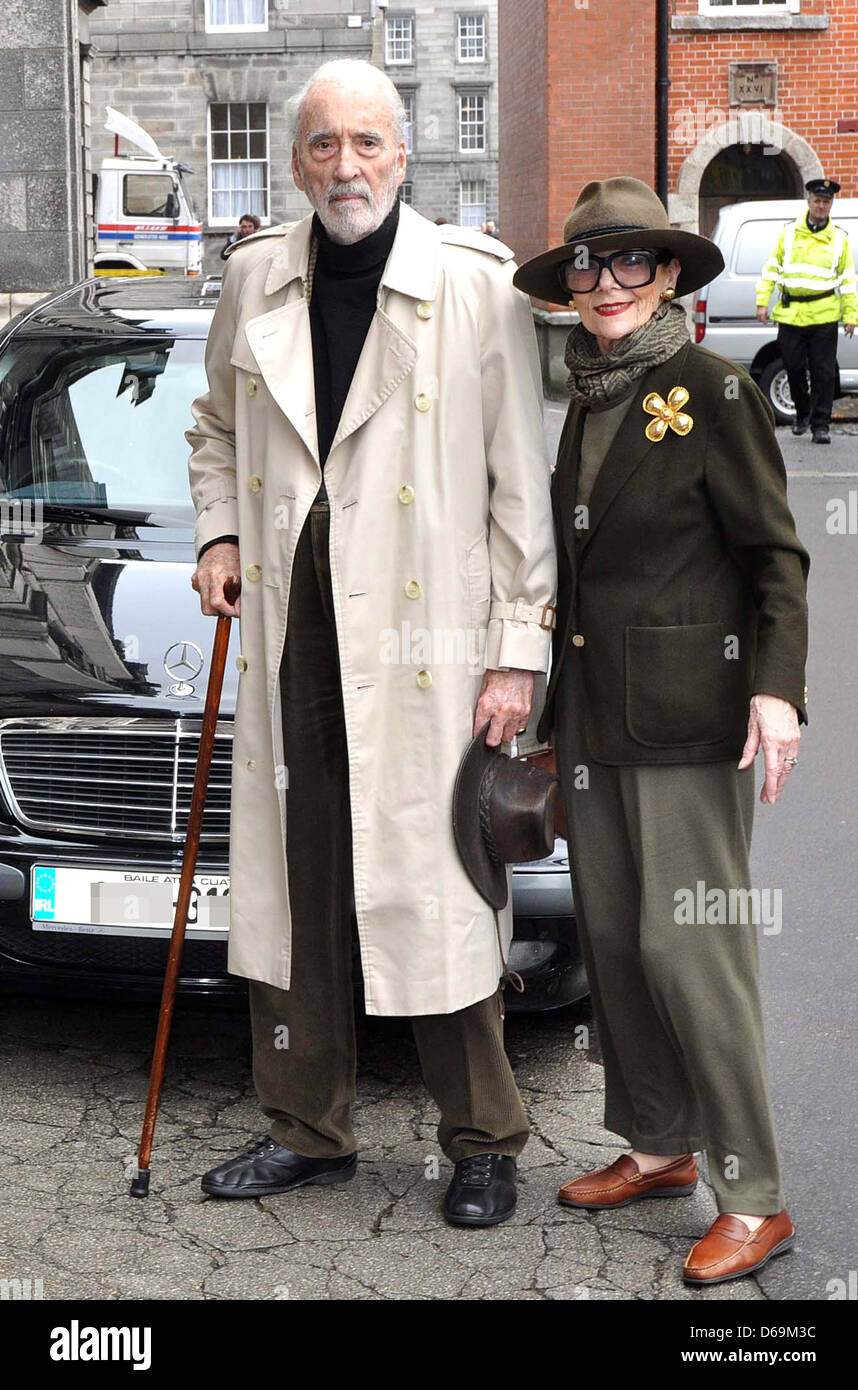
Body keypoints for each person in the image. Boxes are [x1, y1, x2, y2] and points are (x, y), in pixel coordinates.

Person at [186, 59, 556, 1228]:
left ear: (403, 154)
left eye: (367, 145)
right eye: (322, 146)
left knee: (437, 881)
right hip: (295, 618)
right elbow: (210, 429)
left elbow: (518, 490)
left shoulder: (472, 285)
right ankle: (307, 1129)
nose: (344, 167)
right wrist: (217, 533)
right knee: (297, 891)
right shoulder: (253, 278)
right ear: (299, 161)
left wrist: (516, 649)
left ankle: (484, 1139)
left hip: (427, 640)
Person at [515, 177, 809, 1286]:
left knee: (694, 951)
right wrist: (549, 712)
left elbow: (772, 557)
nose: (603, 284)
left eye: (629, 261)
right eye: (586, 266)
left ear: (671, 274)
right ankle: (656, 1146)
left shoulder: (715, 388)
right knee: (620, 941)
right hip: (594, 714)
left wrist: (775, 691)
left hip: (694, 718)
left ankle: (755, 1194)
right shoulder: (590, 397)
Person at [756, 177, 858, 444]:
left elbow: (847, 278)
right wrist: (762, 301)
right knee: (792, 367)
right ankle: (802, 413)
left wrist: (850, 315)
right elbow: (771, 269)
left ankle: (820, 425)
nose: (821, 205)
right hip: (791, 314)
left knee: (824, 372)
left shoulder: (839, 238)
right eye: (817, 200)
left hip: (824, 314)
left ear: (831, 204)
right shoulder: (788, 233)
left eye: (826, 201)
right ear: (809, 201)